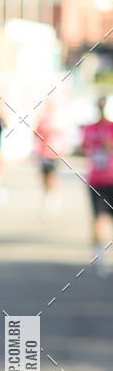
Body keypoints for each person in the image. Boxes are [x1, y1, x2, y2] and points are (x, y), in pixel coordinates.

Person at [80, 95, 113, 275]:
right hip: (96, 180)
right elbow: (84, 148)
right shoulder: (89, 128)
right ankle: (99, 254)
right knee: (98, 218)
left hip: (112, 178)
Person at [35, 100, 65, 216]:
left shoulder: (58, 120)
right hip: (43, 152)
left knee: (52, 176)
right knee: (44, 175)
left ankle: (53, 196)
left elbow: (62, 136)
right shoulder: (42, 120)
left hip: (54, 152)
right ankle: (47, 195)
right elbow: (36, 133)